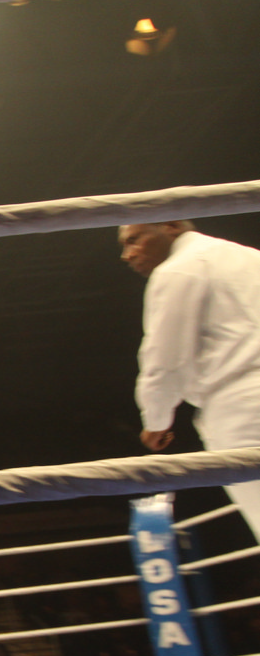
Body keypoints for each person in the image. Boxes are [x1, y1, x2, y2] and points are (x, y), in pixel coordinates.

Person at [121, 221, 260, 535]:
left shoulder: (178, 270)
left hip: (244, 411)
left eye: (134, 239)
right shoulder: (251, 256)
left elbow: (166, 358)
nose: (127, 255)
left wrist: (155, 419)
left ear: (171, 226)